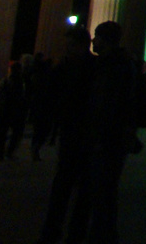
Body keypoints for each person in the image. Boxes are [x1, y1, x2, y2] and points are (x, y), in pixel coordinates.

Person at [35, 24, 96, 244]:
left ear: (81, 45)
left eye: (71, 45)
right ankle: (65, 232)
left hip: (82, 133)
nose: (68, 49)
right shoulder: (88, 67)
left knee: (69, 187)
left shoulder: (74, 68)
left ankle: (60, 232)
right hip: (75, 133)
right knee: (73, 188)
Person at [85, 20, 140, 244]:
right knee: (104, 191)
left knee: (102, 190)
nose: (93, 41)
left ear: (105, 40)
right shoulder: (121, 65)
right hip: (110, 137)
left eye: (96, 36)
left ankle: (102, 235)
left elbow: (109, 104)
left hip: (107, 138)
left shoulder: (112, 67)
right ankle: (103, 234)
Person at [0, 59, 27, 159]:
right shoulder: (20, 82)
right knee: (16, 133)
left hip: (4, 110)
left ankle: (0, 154)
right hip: (14, 111)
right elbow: (20, 98)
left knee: (2, 133)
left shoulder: (5, 81)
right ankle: (9, 152)